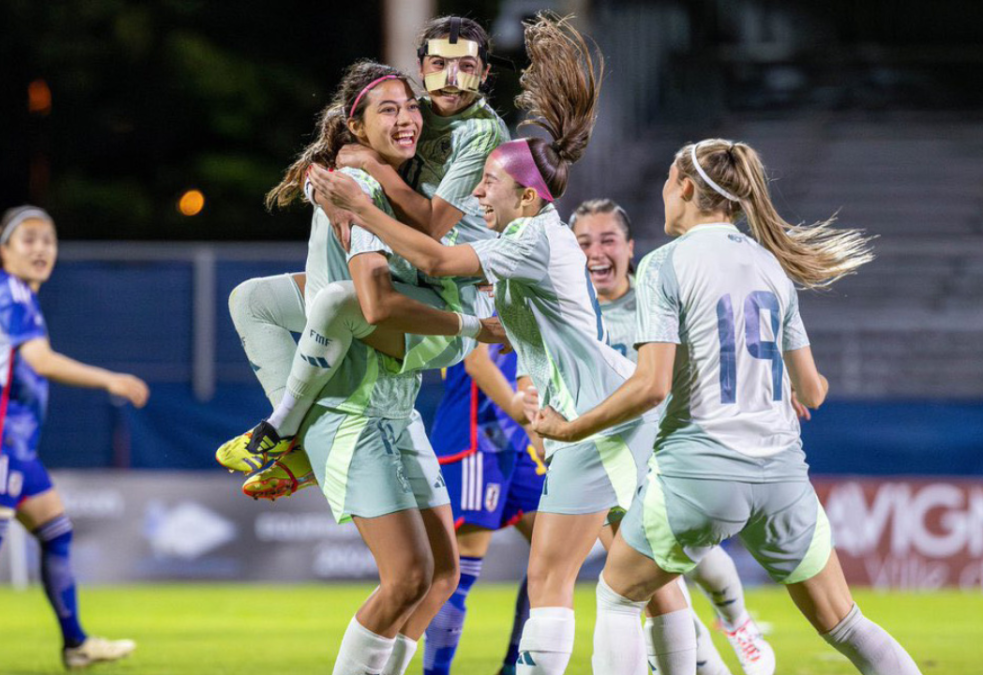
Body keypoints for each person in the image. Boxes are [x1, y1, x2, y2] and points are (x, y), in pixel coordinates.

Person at [311, 14, 698, 675]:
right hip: (607, 406)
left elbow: (434, 258)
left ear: (524, 194)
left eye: (488, 181)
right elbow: (442, 244)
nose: (477, 190)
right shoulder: (529, 235)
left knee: (550, 576)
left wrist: (363, 204)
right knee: (641, 573)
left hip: (597, 413)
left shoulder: (533, 240)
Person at [531, 139, 922, 675]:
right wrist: (771, 383)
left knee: (620, 597)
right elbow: (813, 392)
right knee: (846, 623)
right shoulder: (772, 266)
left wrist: (571, 429)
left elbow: (651, 386)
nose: (666, 193)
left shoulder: (663, 265)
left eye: (669, 183)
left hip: (701, 469)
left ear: (686, 188)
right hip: (782, 477)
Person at [225, 61, 484, 675]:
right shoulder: (355, 187)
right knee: (408, 577)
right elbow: (371, 299)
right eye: (387, 109)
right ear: (355, 126)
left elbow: (269, 302)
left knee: (442, 575)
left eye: (409, 106)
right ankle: (286, 429)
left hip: (397, 408)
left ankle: (288, 431)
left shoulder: (392, 180)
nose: (406, 118)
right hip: (353, 417)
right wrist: (472, 325)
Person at [230, 15, 511, 464]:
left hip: (450, 301)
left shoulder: (481, 131)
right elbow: (331, 154)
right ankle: (297, 439)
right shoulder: (412, 107)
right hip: (406, 275)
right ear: (422, 68)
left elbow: (431, 227)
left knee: (341, 299)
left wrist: (368, 177)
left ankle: (284, 425)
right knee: (252, 301)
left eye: (467, 67)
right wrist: (324, 190)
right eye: (440, 63)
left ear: (485, 73)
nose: (452, 78)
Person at [0, 206, 147, 673]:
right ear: (4, 252)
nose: (41, 248)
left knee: (56, 534)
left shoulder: (13, 294)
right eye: (29, 239)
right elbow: (40, 362)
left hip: (11, 446)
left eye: (49, 239)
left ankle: (77, 645)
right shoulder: (11, 297)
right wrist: (110, 379)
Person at [572, 198, 775, 675]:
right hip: (604, 459)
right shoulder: (571, 308)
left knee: (697, 562)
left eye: (607, 240)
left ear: (629, 247)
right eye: (584, 243)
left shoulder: (657, 293)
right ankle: (704, 663)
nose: (596, 252)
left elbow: (715, 350)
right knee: (649, 585)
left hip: (667, 451)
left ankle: (738, 625)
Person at [422, 343, 545, 675]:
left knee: (554, 553)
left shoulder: (523, 293)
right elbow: (477, 361)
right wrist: (525, 417)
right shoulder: (480, 291)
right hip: (477, 437)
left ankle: (512, 667)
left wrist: (533, 428)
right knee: (458, 569)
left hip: (516, 441)